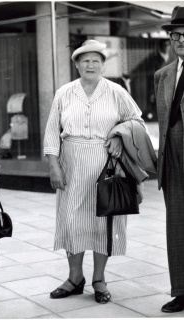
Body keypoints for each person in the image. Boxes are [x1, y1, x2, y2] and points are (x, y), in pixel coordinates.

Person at [44, 40, 146, 304]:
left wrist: (118, 135)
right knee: (72, 222)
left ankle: (99, 279)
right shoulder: (64, 93)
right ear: (76, 64)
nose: (90, 65)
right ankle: (74, 278)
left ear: (103, 64)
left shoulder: (116, 91)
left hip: (106, 164)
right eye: (85, 60)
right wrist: (53, 165)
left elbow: (136, 120)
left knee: (104, 221)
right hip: (71, 164)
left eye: (96, 60)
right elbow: (52, 131)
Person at [155, 6, 184, 313]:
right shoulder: (162, 75)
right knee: (176, 223)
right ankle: (181, 290)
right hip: (171, 157)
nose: (180, 40)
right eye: (176, 35)